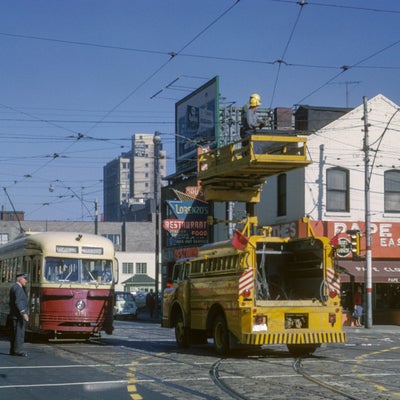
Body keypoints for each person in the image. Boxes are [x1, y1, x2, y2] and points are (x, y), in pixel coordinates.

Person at [9, 273, 29, 357]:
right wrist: (23, 313)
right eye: (25, 279)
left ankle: (13, 350)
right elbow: (18, 301)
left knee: (14, 333)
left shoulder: (14, 287)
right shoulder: (18, 288)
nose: (26, 281)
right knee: (19, 333)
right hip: (18, 315)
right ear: (20, 279)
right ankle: (18, 350)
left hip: (14, 314)